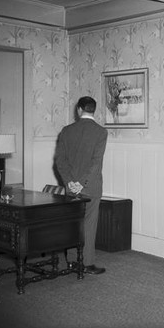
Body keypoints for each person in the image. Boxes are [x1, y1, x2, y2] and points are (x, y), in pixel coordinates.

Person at [54, 96, 108, 275]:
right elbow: (95, 163)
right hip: (90, 186)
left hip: (70, 186)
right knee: (89, 223)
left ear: (79, 109)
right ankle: (87, 263)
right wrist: (81, 183)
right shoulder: (101, 132)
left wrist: (71, 182)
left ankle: (71, 261)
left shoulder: (66, 131)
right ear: (95, 110)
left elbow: (59, 161)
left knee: (73, 222)